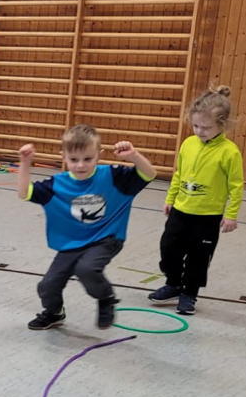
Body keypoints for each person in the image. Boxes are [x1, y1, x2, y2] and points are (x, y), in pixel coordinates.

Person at [16, 125, 157, 331]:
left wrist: (134, 156)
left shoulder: (112, 176)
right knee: (47, 286)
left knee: (87, 269)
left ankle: (106, 298)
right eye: (74, 160)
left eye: (88, 159)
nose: (81, 165)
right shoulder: (57, 184)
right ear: (63, 156)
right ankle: (54, 313)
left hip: (106, 239)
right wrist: (25, 163)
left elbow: (149, 174)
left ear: (99, 155)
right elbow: (24, 193)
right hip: (71, 244)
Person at [151, 86, 244, 315]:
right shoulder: (187, 144)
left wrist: (231, 214)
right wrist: (170, 198)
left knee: (198, 259)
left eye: (206, 127)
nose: (199, 131)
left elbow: (236, 186)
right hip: (181, 210)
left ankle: (189, 293)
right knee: (168, 248)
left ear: (222, 125)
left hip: (207, 217)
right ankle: (173, 283)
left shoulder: (229, 152)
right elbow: (179, 174)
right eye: (195, 126)